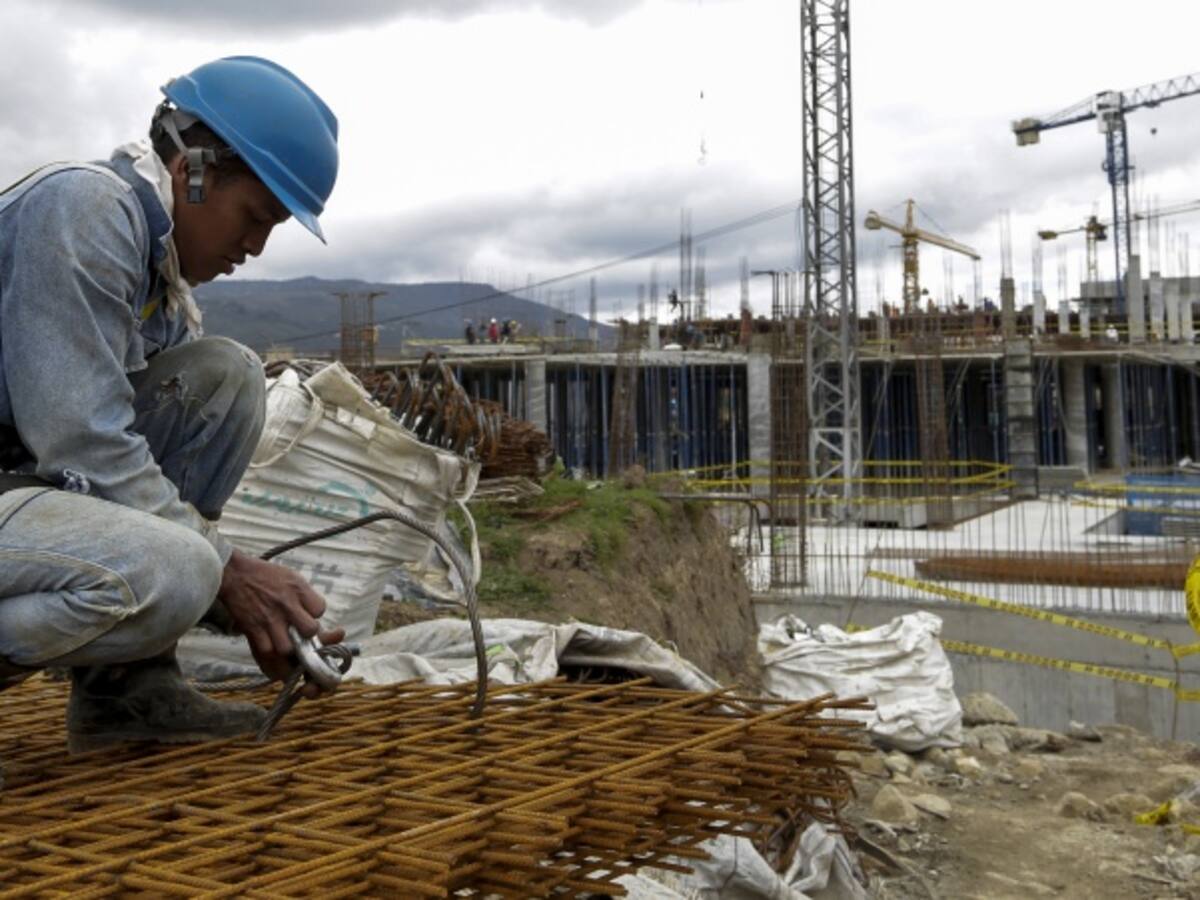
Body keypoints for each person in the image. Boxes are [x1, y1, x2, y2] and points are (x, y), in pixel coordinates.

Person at [0, 56, 344, 754]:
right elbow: (83, 443)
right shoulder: (86, 208)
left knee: (225, 378)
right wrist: (227, 574)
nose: (254, 246)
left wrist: (230, 597)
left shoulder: (160, 289)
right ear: (192, 171)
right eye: (256, 216)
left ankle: (126, 691)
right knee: (180, 568)